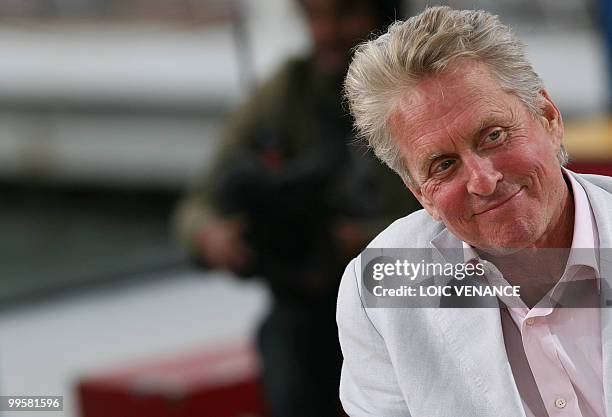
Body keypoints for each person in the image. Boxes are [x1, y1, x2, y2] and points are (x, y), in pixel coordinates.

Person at [338, 6, 612, 417]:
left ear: (549, 118)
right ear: (419, 193)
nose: (483, 180)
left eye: (494, 135)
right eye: (443, 165)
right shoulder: (383, 285)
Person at [174, 1, 420, 416]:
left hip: (413, 294)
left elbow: (464, 219)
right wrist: (211, 235)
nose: (327, 32)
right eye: (315, 16)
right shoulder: (287, 91)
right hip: (310, 305)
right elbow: (198, 201)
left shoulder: (421, 86)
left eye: (345, 14)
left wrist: (361, 241)